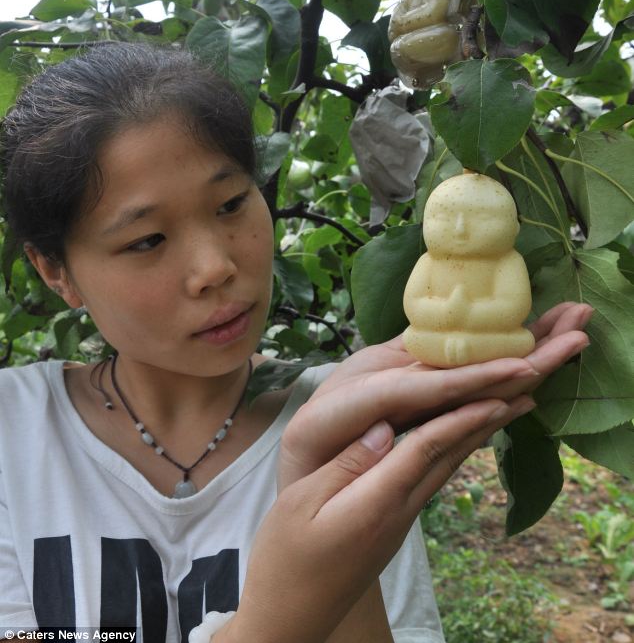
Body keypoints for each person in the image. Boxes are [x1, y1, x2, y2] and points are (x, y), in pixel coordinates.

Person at [0, 42, 592, 643]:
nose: (216, 267)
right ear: (56, 271)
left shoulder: (346, 431)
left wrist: (328, 477)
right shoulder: (11, 432)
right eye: (148, 240)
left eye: (231, 203)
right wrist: (283, 614)